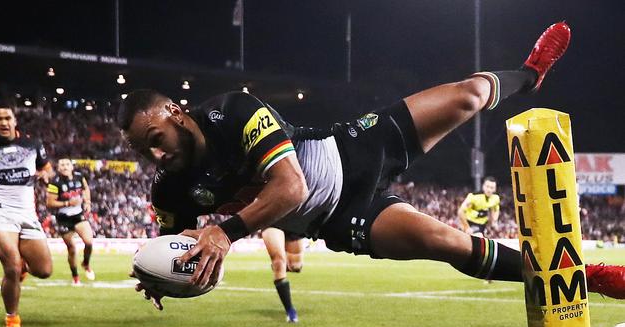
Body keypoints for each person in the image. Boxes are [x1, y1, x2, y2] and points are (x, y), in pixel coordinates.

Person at [120, 22, 625, 310]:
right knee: (447, 244)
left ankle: (530, 76)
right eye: (146, 151)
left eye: (156, 139)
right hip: (338, 216)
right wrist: (158, 273)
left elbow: (290, 187)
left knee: (471, 94)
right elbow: (172, 245)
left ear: (176, 114)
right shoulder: (171, 191)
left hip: (349, 149)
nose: (157, 155)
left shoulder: (232, 111)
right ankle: (592, 277)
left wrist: (224, 233)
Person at [149, 168, 302, 321]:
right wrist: (164, 275)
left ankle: (284, 268)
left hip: (290, 207)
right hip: (269, 218)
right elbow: (176, 235)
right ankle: (290, 311)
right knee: (279, 261)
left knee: (295, 266)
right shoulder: (174, 185)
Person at [0, 101, 53, 327]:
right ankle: (12, 319)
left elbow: (47, 168)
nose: (3, 123)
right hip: (0, 211)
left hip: (27, 213)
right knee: (11, 265)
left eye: (7, 118)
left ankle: (24, 268)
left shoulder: (33, 144)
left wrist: (44, 175)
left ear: (15, 121)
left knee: (45, 270)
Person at [46, 158, 95, 285]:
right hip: (63, 219)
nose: (64, 167)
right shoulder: (55, 182)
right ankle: (75, 277)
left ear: (71, 167)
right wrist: (68, 203)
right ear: (58, 168)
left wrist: (88, 202)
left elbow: (86, 189)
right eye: (61, 164)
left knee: (89, 242)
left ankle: (86, 263)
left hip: (78, 215)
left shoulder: (79, 177)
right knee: (72, 249)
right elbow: (50, 202)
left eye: (67, 164)